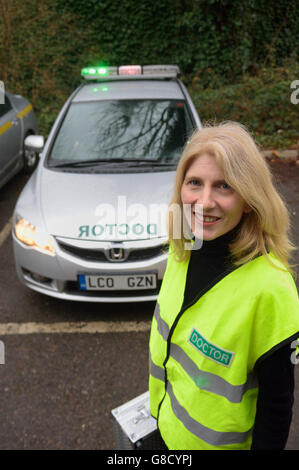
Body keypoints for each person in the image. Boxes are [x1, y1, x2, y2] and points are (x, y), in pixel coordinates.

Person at [148, 121, 299, 450]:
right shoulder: (183, 251)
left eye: (224, 187)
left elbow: (276, 409)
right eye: (195, 183)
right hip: (163, 431)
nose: (204, 202)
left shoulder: (271, 288)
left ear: (249, 199)